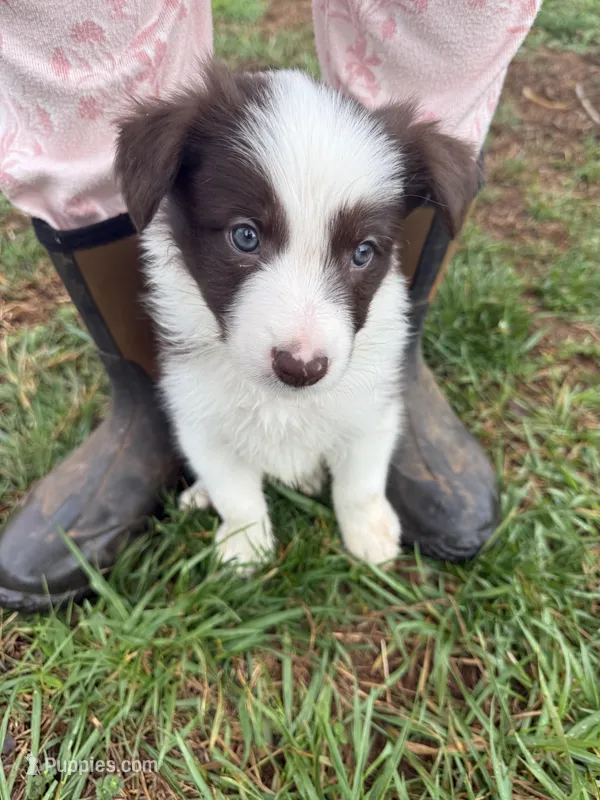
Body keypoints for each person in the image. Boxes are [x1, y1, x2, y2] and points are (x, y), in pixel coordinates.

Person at [0, 0, 541, 611]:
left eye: (362, 250)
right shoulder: (180, 156)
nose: (303, 347)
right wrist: (244, 517)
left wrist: (359, 502)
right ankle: (151, 423)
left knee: (448, 26)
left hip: (356, 398)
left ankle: (364, 484)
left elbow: (366, 423)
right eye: (246, 237)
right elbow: (208, 428)